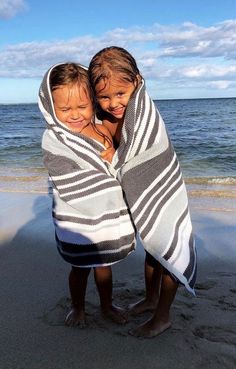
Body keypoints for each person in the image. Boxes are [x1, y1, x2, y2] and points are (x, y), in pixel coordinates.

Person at [88, 46, 197, 338]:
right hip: (138, 195)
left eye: (121, 93)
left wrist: (116, 155)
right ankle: (151, 299)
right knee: (152, 248)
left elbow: (148, 153)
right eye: (105, 96)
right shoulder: (103, 121)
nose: (114, 103)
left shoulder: (144, 115)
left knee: (171, 247)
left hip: (164, 190)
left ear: (137, 81)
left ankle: (163, 316)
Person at [38, 62, 136, 327]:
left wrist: (115, 159)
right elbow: (65, 175)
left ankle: (106, 305)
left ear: (93, 101)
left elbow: (121, 162)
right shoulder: (55, 138)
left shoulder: (101, 129)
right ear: (50, 106)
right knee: (80, 268)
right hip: (76, 214)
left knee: (104, 265)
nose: (74, 115)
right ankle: (78, 307)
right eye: (64, 109)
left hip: (105, 215)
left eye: (82, 107)